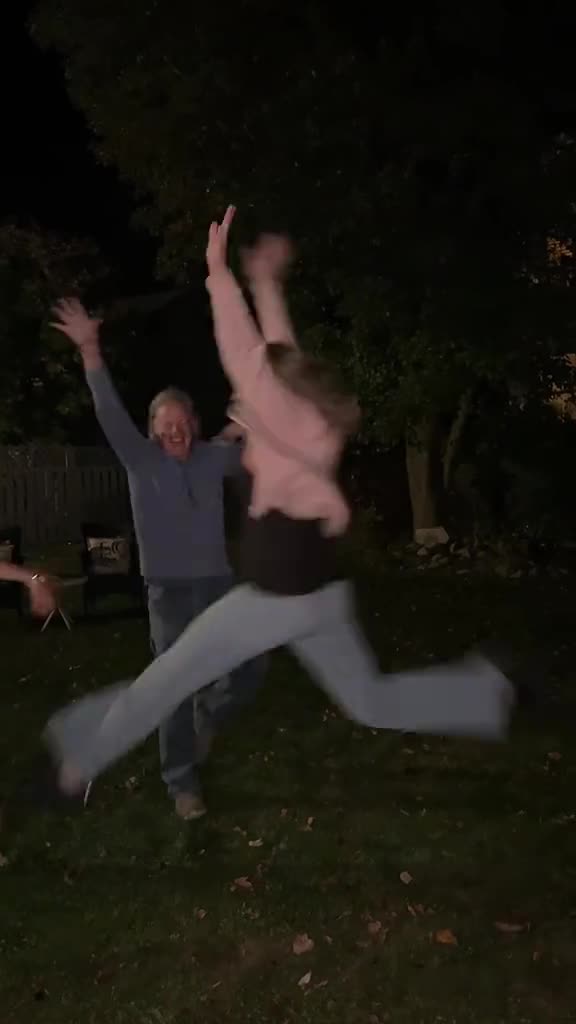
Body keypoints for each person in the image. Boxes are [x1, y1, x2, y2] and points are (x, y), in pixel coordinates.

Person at [45, 207, 514, 796]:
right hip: (320, 596)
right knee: (368, 700)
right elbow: (274, 350)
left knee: (167, 678)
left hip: (274, 599)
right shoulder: (310, 426)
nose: (247, 396)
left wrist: (220, 275)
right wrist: (264, 285)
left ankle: (80, 760)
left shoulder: (283, 432)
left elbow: (245, 351)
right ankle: (487, 691)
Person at [49, 297, 263, 819]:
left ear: (193, 424)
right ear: (152, 431)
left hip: (216, 584)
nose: (174, 432)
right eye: (165, 425)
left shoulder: (213, 458)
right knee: (173, 685)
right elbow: (108, 411)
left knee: (249, 666)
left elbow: (256, 448)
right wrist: (90, 349)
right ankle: (181, 780)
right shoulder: (141, 461)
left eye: (181, 423)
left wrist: (250, 418)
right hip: (168, 592)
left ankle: (209, 715)